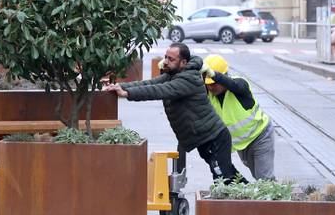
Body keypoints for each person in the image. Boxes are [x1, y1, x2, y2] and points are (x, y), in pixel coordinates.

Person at [102, 43, 243, 184]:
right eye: (165, 57)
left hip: (215, 138)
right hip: (203, 138)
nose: (166, 62)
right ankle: (254, 197)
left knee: (223, 179)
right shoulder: (174, 74)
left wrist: (127, 93)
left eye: (171, 59)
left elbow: (159, 90)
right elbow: (150, 83)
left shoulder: (189, 79)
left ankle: (247, 201)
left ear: (184, 62)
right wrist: (121, 86)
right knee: (228, 174)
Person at [201, 54, 275, 179]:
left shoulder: (240, 85)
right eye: (208, 83)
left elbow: (235, 85)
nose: (211, 87)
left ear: (224, 76)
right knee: (258, 178)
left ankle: (275, 198)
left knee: (265, 180)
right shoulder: (208, 94)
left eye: (214, 83)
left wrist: (215, 75)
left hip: (260, 137)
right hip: (242, 145)